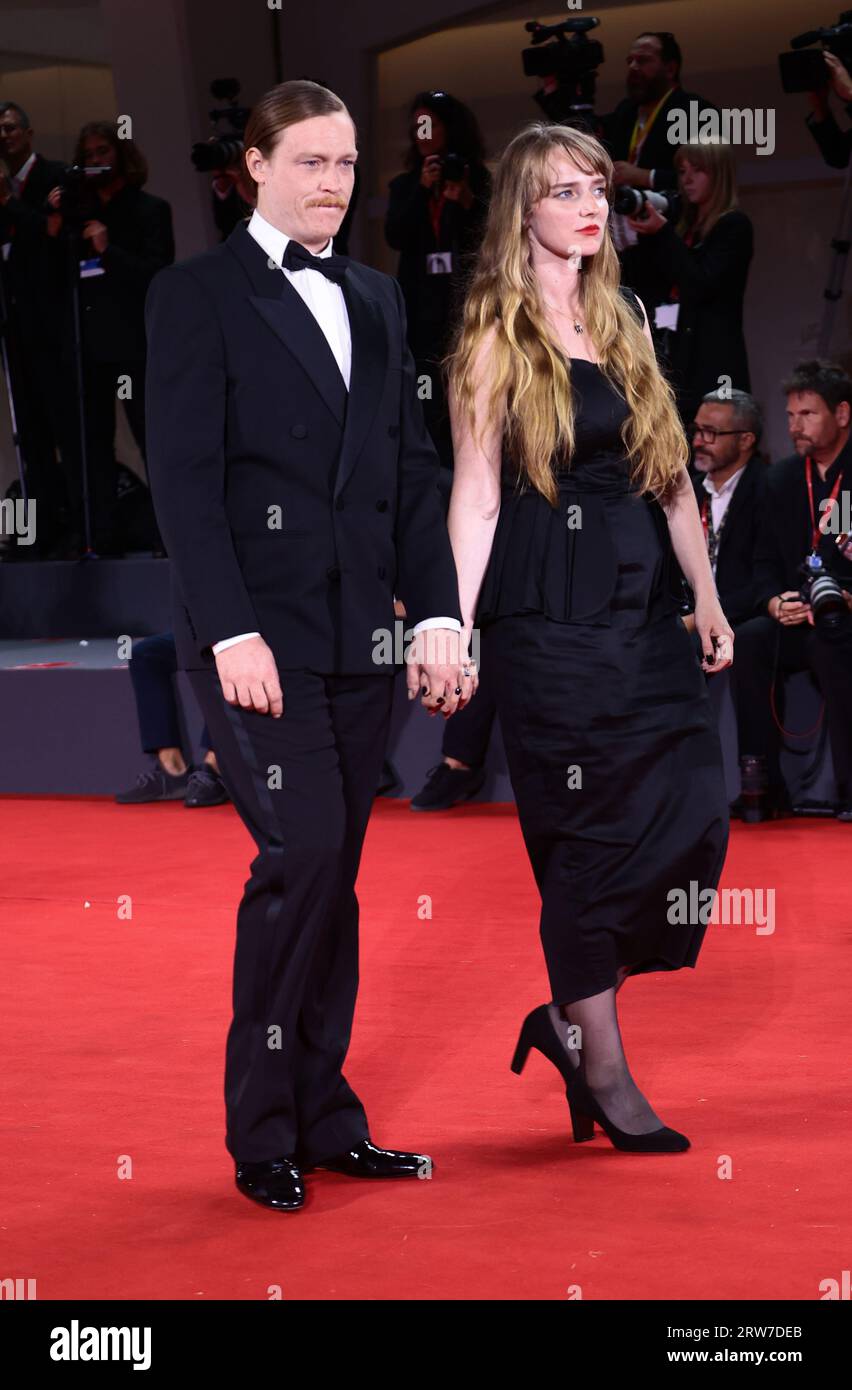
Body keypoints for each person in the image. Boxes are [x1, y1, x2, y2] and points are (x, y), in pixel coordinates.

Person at [144, 79, 475, 1213]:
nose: (332, 183)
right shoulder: (196, 295)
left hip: (357, 640)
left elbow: (413, 471)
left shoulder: (378, 297)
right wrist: (229, 628)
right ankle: (263, 1127)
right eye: (309, 162)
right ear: (254, 166)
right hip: (255, 638)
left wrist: (435, 611)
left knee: (337, 873)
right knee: (302, 858)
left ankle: (328, 1115)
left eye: (344, 164)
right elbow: (184, 485)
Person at [445, 121, 732, 1154]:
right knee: (587, 838)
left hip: (645, 609)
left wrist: (704, 593)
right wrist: (456, 625)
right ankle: (600, 1057)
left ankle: (567, 1021)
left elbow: (670, 476)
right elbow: (476, 497)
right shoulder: (493, 336)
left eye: (597, 188)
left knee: (695, 806)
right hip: (546, 617)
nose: (589, 206)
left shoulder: (621, 320)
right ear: (523, 207)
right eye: (565, 190)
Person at [731, 361, 852, 823]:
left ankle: (848, 788)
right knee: (753, 639)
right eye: (790, 415)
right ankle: (761, 786)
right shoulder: (779, 479)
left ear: (842, 414)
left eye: (808, 414)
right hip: (795, 613)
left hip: (843, 617)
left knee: (833, 643)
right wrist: (773, 602)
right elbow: (760, 563)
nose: (795, 425)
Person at [46, 121, 174, 555]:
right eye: (89, 154)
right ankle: (97, 536)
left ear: (121, 156)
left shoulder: (149, 209)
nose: (96, 161)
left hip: (134, 346)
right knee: (91, 445)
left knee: (150, 439)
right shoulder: (76, 215)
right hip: (87, 347)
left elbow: (159, 276)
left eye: (104, 152)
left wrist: (108, 250)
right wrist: (55, 227)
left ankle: (170, 535)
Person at [385, 89, 491, 475]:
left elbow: (491, 238)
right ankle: (431, 468)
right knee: (424, 389)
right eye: (417, 127)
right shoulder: (405, 184)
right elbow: (395, 236)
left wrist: (464, 200)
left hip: (464, 303)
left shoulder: (477, 178)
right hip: (420, 306)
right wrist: (420, 190)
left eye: (431, 124)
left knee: (468, 386)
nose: (424, 133)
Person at [626, 140, 752, 426]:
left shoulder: (733, 226)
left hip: (714, 366)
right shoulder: (683, 228)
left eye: (698, 171)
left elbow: (700, 284)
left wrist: (662, 233)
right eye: (682, 171)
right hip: (677, 358)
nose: (688, 179)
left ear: (718, 174)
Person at [597, 31, 718, 319]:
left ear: (670, 67)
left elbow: (706, 181)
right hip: (624, 250)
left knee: (666, 339)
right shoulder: (625, 112)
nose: (633, 67)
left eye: (644, 60)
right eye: (630, 61)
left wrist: (645, 176)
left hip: (671, 244)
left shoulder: (695, 111)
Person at [0, 101, 67, 554]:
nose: (3, 137)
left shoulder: (55, 176)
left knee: (64, 427)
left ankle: (77, 528)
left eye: (9, 128)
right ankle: (34, 534)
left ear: (28, 132)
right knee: (27, 437)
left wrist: (8, 204)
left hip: (53, 324)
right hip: (11, 327)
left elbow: (53, 233)